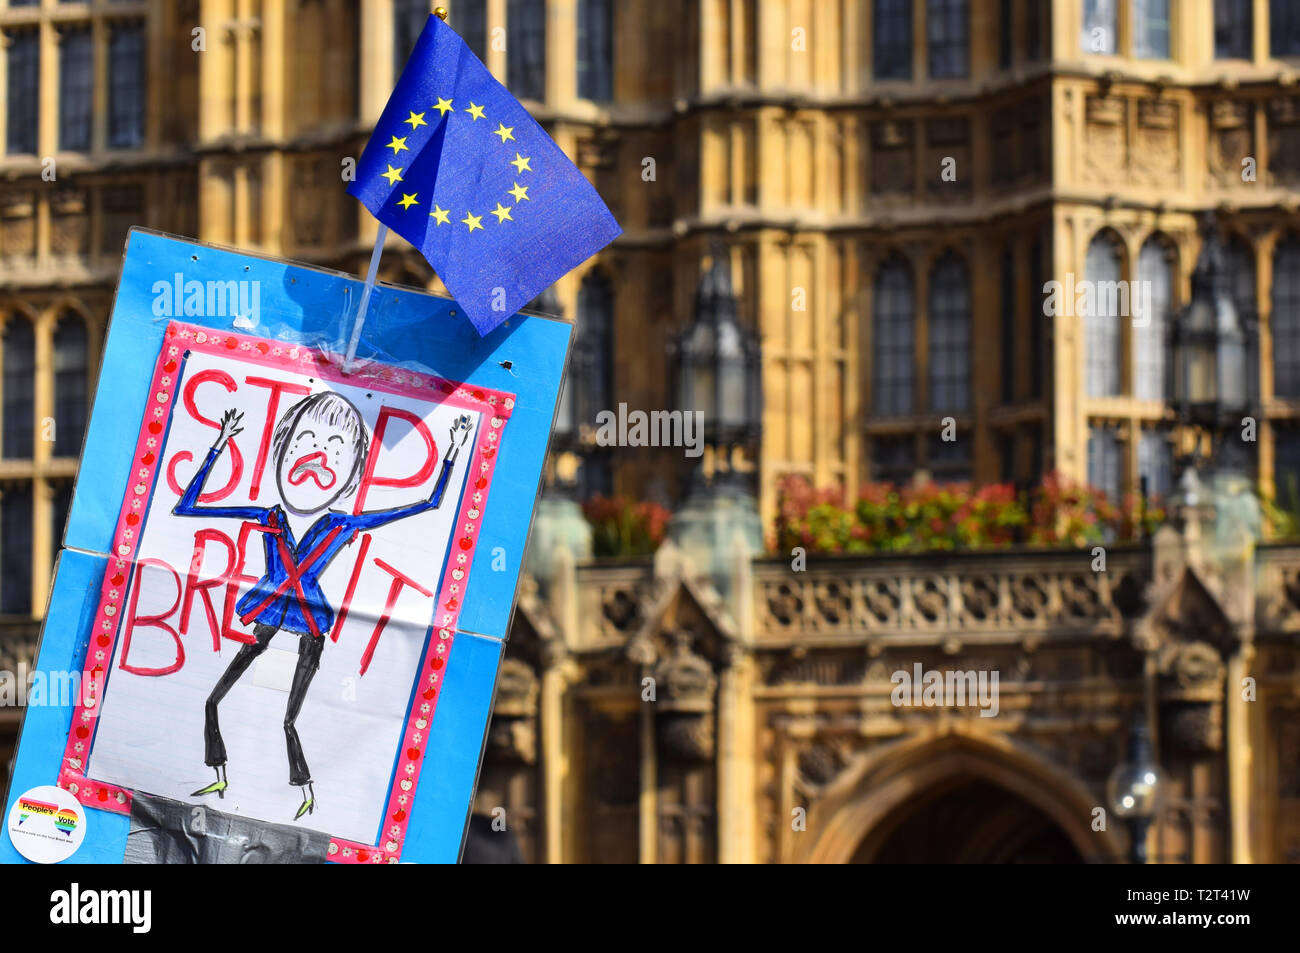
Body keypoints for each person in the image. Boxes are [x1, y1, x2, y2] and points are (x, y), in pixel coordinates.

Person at [174, 392, 471, 821]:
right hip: (268, 616)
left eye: (335, 450)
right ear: (280, 451)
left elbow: (427, 504)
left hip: (310, 625)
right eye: (304, 442)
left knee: (289, 719)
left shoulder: (342, 524)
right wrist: (219, 443)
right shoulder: (269, 516)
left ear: (351, 475)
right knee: (213, 700)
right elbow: (186, 506)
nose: (317, 455)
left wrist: (452, 454)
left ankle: (307, 794)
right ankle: (220, 774)